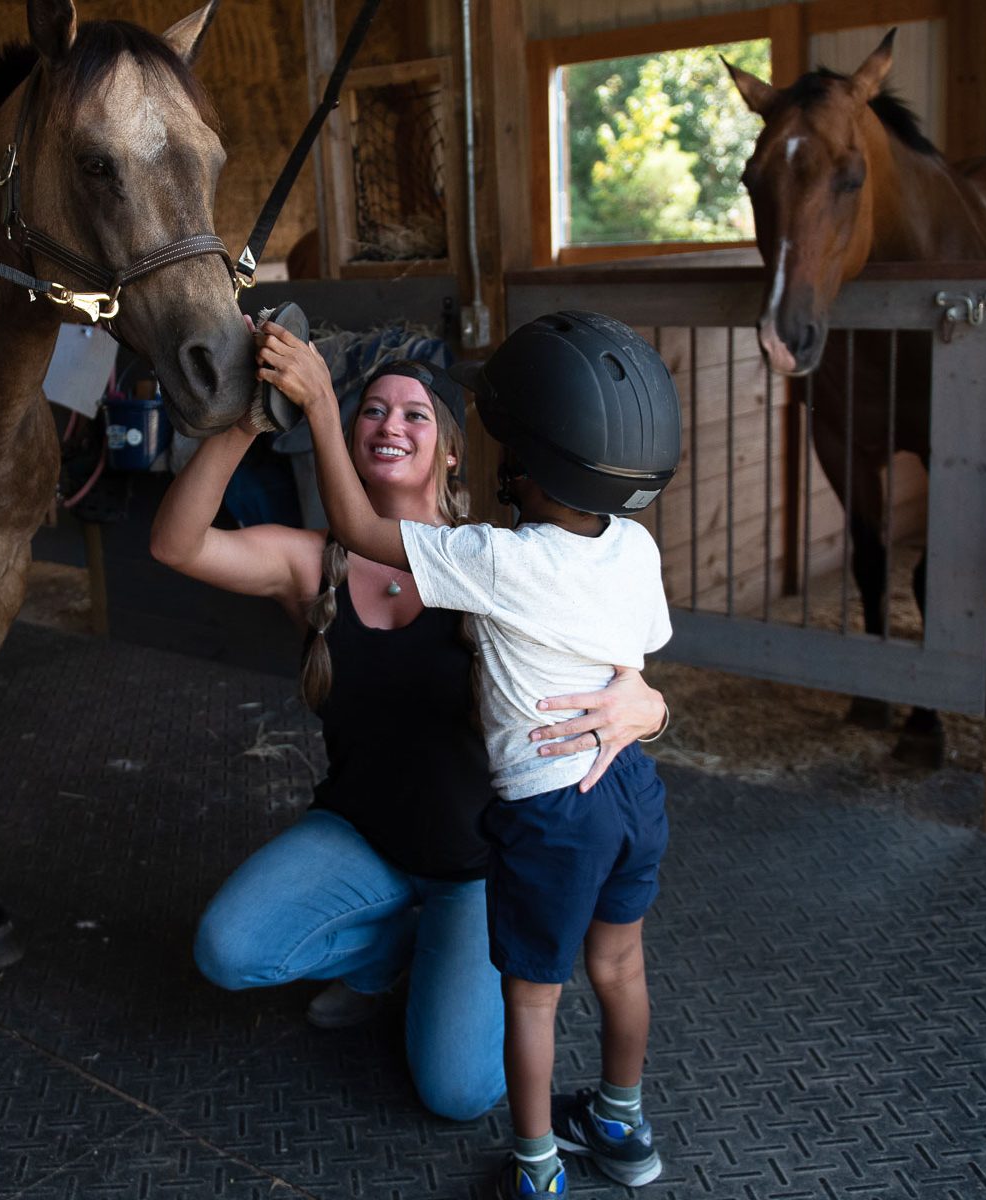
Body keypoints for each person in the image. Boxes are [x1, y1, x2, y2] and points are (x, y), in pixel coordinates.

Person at [151, 355, 668, 1123]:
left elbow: (620, 661)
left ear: (451, 449)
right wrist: (249, 419)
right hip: (361, 834)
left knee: (459, 1093)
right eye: (370, 411)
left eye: (415, 414)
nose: (390, 424)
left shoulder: (493, 560)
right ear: (349, 438)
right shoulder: (311, 561)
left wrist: (650, 707)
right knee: (228, 950)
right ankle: (389, 948)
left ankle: (432, 952)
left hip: (477, 867)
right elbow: (176, 544)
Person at [259, 310, 681, 1196]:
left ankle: (534, 1166)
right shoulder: (637, 546)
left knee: (532, 1000)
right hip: (629, 789)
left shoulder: (494, 559)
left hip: (546, 811)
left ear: (518, 467)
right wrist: (644, 708)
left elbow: (355, 524)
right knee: (620, 965)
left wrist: (323, 414)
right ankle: (623, 1121)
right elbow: (634, 666)